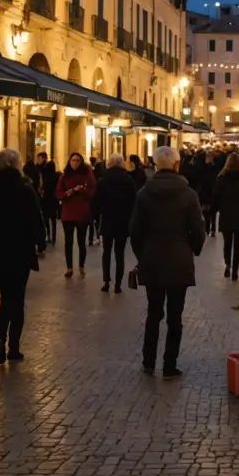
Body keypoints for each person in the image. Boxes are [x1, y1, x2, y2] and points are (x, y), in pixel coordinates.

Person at [129, 146, 206, 379]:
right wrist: (192, 249)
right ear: (176, 165)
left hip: (152, 259)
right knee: (175, 315)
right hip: (178, 260)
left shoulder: (143, 193)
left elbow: (134, 231)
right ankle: (169, 364)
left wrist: (142, 255)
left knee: (154, 313)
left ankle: (148, 361)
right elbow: (198, 229)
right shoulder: (188, 194)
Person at [0, 149, 45, 363]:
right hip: (21, 249)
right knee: (17, 299)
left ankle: (0, 335)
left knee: (6, 295)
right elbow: (37, 219)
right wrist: (41, 242)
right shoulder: (25, 190)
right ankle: (14, 348)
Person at [93, 153, 137, 294]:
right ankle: (118, 284)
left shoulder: (103, 181)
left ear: (109, 164)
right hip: (123, 223)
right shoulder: (129, 180)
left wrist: (95, 217)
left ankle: (106, 281)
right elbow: (133, 202)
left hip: (107, 221)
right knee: (120, 254)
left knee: (106, 252)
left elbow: (96, 202)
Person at [212, 152, 239, 281]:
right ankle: (235, 270)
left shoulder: (221, 179)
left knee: (227, 242)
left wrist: (216, 210)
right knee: (237, 244)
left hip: (226, 214)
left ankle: (227, 265)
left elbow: (215, 197)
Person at [55, 152, 96, 278]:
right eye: (73, 160)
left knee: (81, 241)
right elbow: (58, 193)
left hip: (82, 212)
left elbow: (92, 191)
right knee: (68, 241)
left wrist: (82, 190)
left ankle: (81, 266)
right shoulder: (64, 176)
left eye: (78, 160)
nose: (75, 163)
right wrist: (68, 193)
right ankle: (69, 267)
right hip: (68, 213)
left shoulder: (87, 175)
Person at [37, 153, 59, 245]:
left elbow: (46, 168)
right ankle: (49, 235)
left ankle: (52, 236)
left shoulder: (49, 166)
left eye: (39, 158)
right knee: (47, 218)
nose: (38, 160)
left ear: (43, 158)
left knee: (51, 218)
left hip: (50, 196)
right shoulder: (44, 168)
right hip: (48, 196)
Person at [198, 152, 218, 236]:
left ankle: (211, 228)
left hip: (209, 193)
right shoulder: (206, 167)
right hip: (207, 193)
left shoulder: (210, 168)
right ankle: (208, 228)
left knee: (211, 212)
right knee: (207, 212)